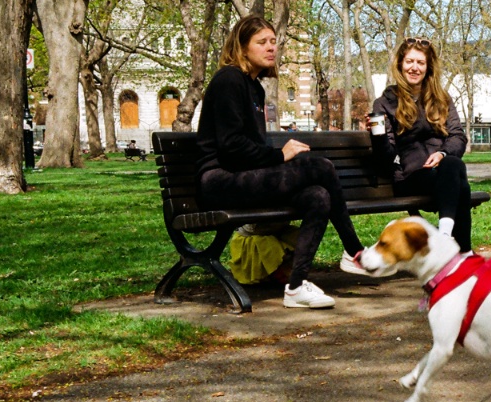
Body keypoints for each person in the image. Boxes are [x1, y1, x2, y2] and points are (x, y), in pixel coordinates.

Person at [197, 15, 369, 309]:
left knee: (318, 196)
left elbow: (249, 147)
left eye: (274, 42)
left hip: (245, 176)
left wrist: (274, 161)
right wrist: (279, 156)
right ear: (242, 46)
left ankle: (296, 286)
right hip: (219, 179)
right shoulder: (229, 80)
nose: (271, 48)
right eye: (262, 42)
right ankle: (353, 251)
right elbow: (231, 147)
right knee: (322, 167)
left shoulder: (255, 88)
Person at [369, 37, 474, 252]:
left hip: (443, 174)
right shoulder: (385, 103)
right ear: (400, 64)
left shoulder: (441, 99)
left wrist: (442, 154)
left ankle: (446, 238)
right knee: (459, 181)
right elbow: (385, 156)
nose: (414, 68)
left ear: (428, 68)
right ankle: (462, 251)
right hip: (410, 177)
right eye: (409, 62)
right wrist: (376, 134)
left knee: (453, 167)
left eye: (420, 62)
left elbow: (457, 136)